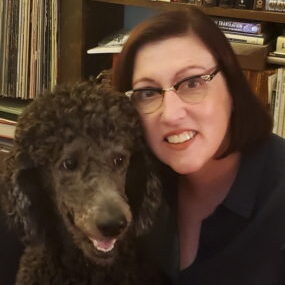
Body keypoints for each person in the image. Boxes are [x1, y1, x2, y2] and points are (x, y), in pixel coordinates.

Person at [113, 7, 285, 285]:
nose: (170, 114)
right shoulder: (128, 184)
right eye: (148, 93)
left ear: (231, 83)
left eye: (192, 83)